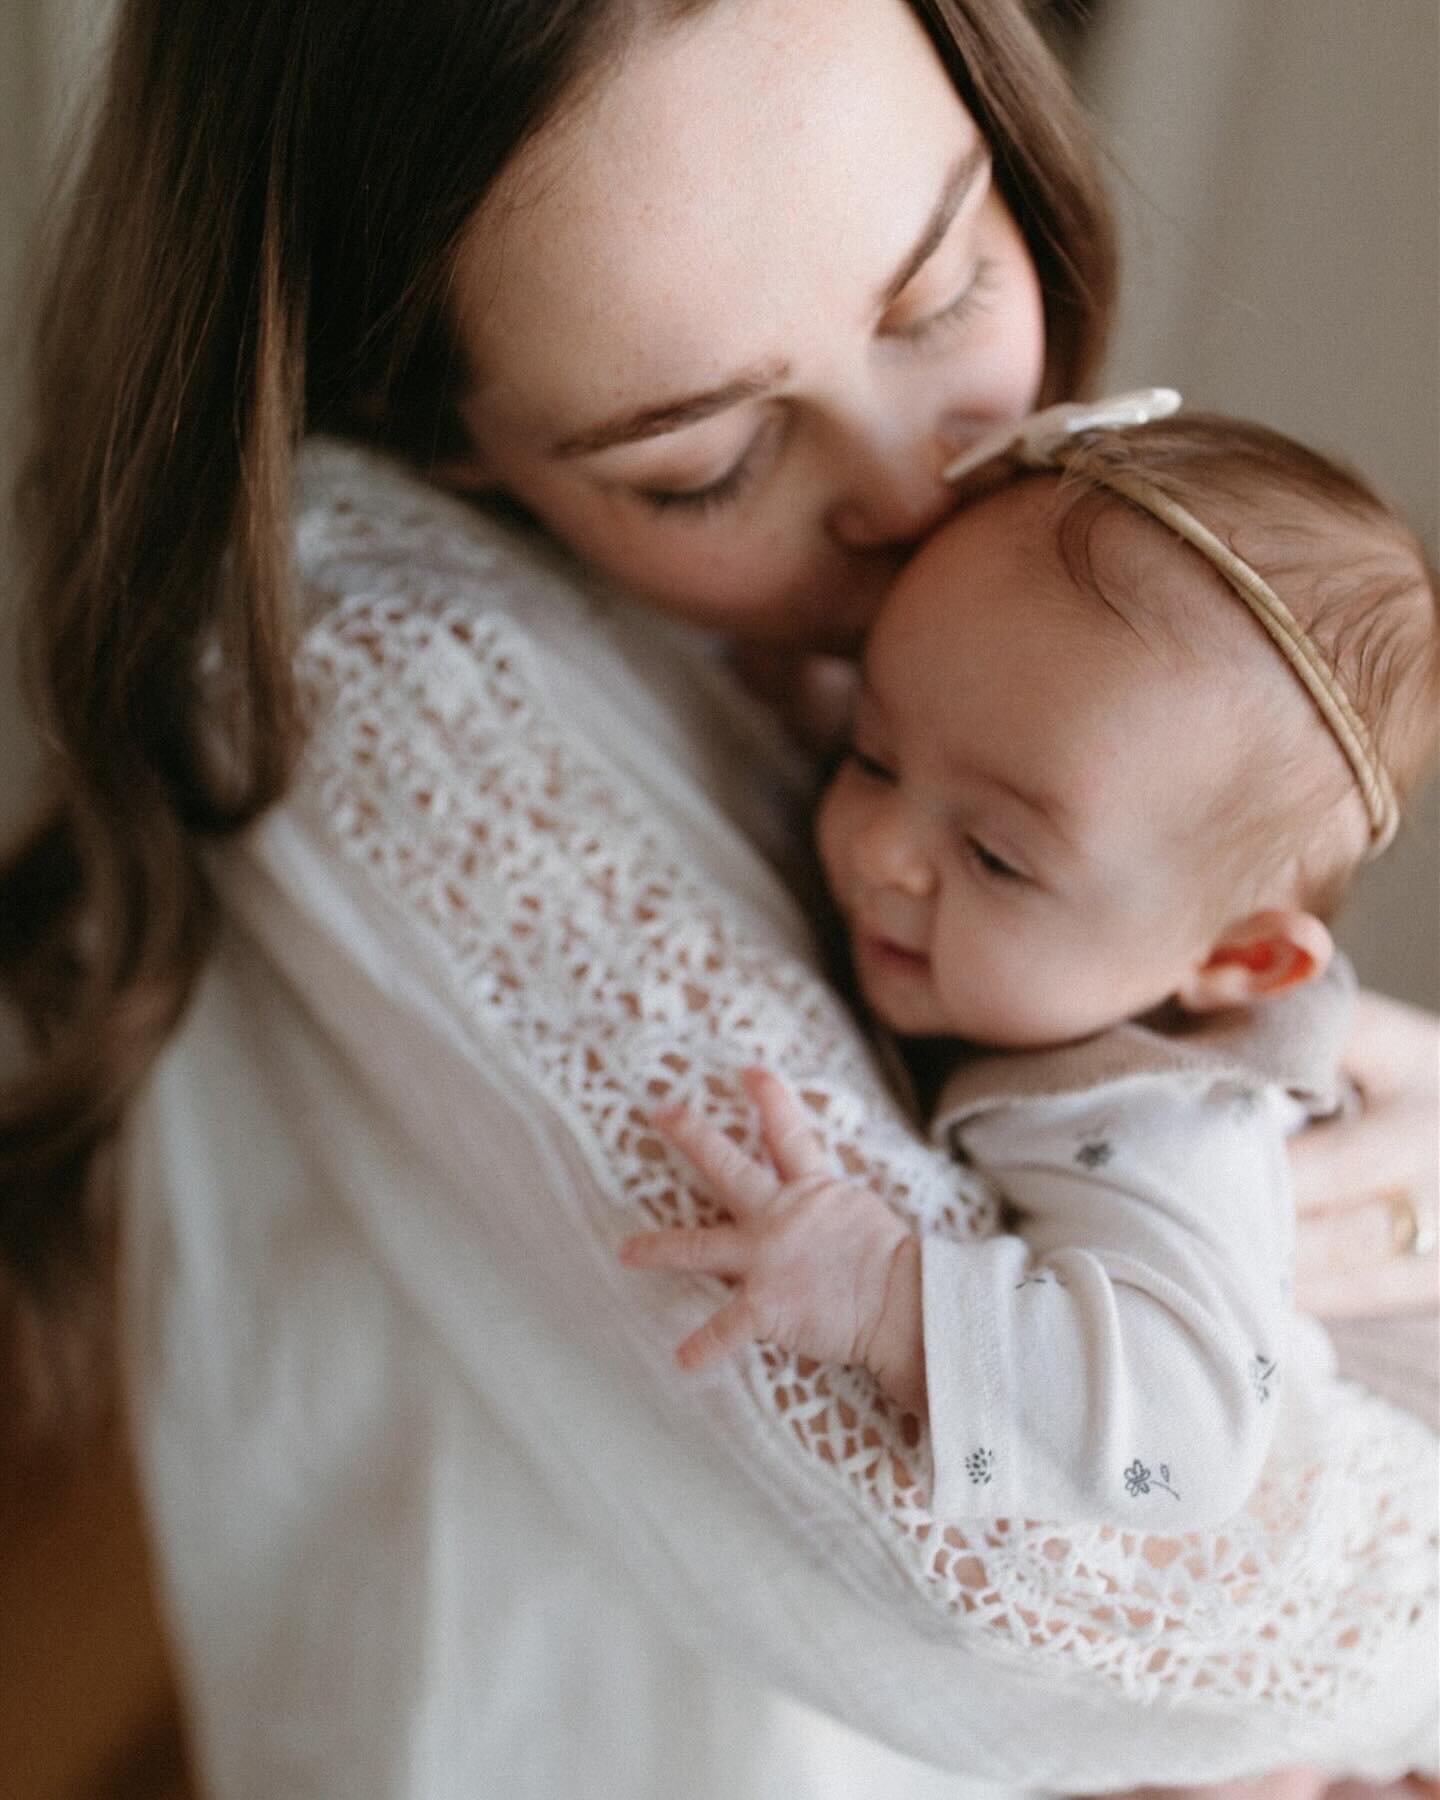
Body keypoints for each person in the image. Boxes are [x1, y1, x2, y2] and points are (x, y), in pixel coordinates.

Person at [1, 2, 1435, 1796]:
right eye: (703, 462)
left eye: (939, 295)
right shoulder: (382, 671)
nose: (922, 484)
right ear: (432, 426)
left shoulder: (982, 640)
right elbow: (1010, 1576)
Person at [621, 401, 1440, 1537]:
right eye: (872, 752)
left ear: (1237, 960)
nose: (878, 848)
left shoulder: (1157, 1128)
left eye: (997, 857)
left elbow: (1190, 1447)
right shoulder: (1019, 863)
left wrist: (881, 1297)